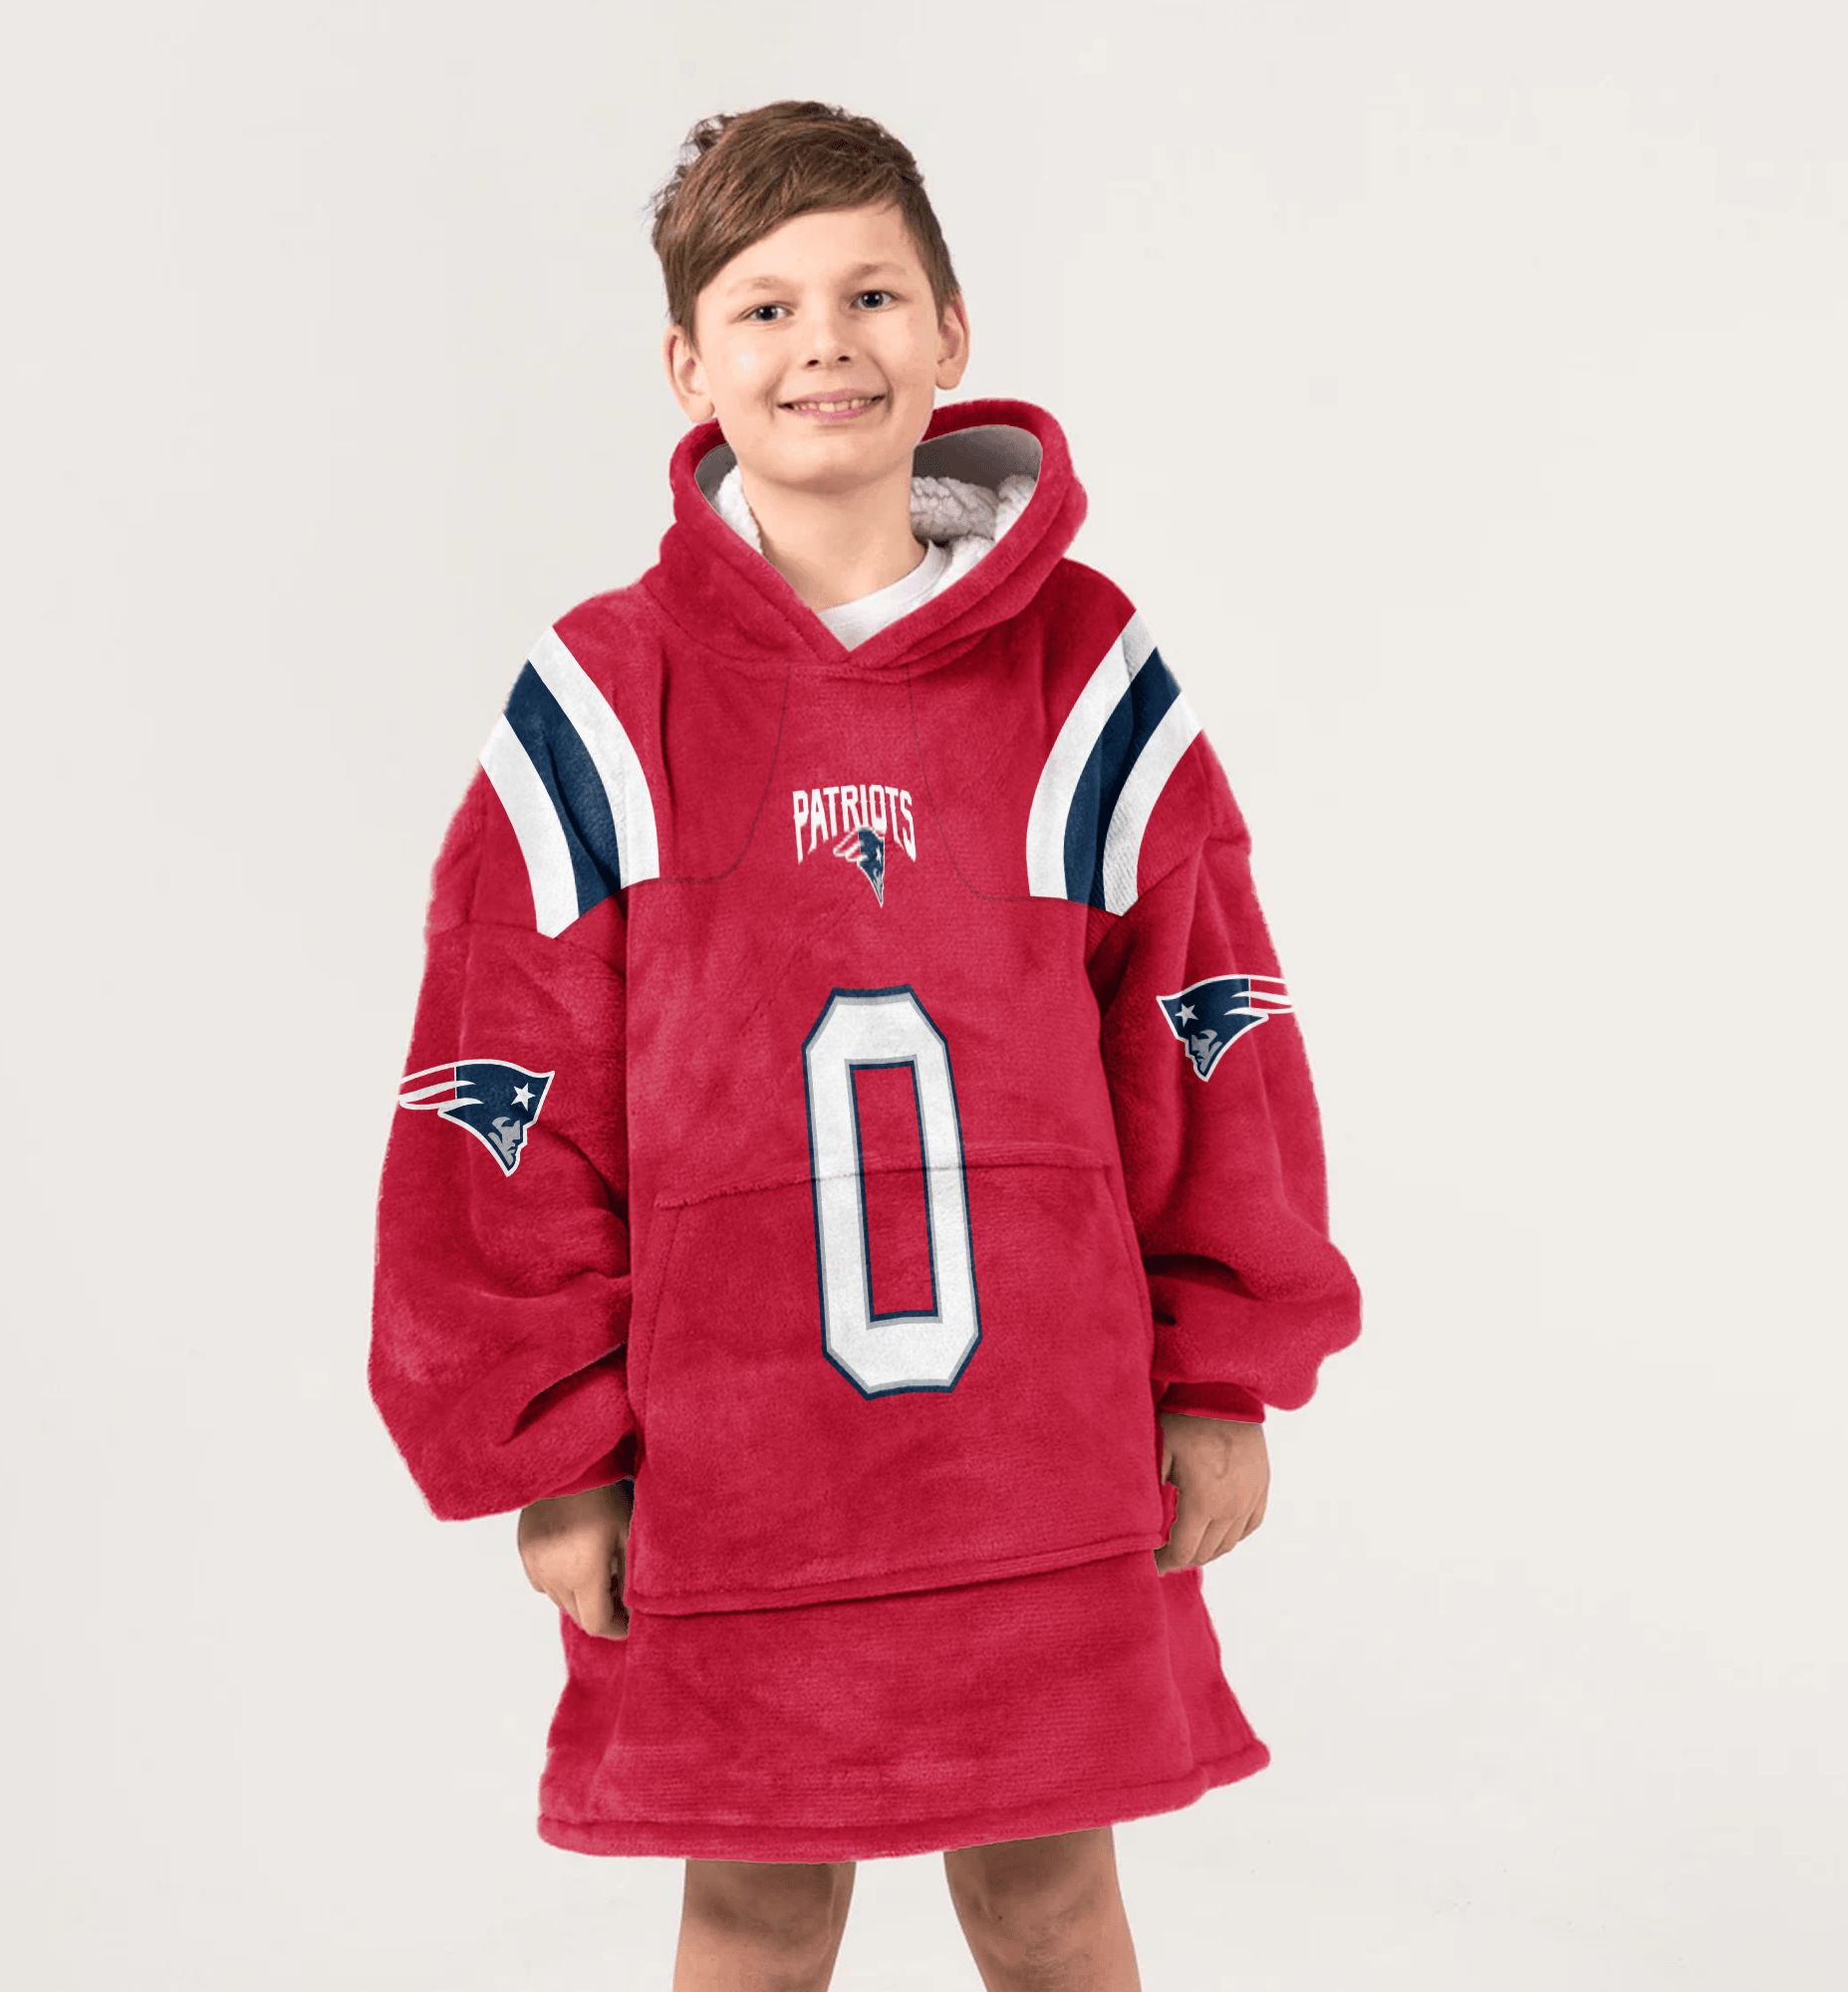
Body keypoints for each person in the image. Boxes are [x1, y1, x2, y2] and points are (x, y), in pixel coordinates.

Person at [369, 98, 1362, 1992]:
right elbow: (503, 1082)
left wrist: (1225, 1367)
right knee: (756, 1909)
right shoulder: (606, 696)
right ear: (688, 367)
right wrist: (555, 1448)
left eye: (872, 294)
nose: (822, 342)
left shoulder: (1084, 671)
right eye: (765, 309)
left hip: (1040, 1453)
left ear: (952, 333)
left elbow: (1206, 1027)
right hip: (732, 1469)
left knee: (1048, 1900)